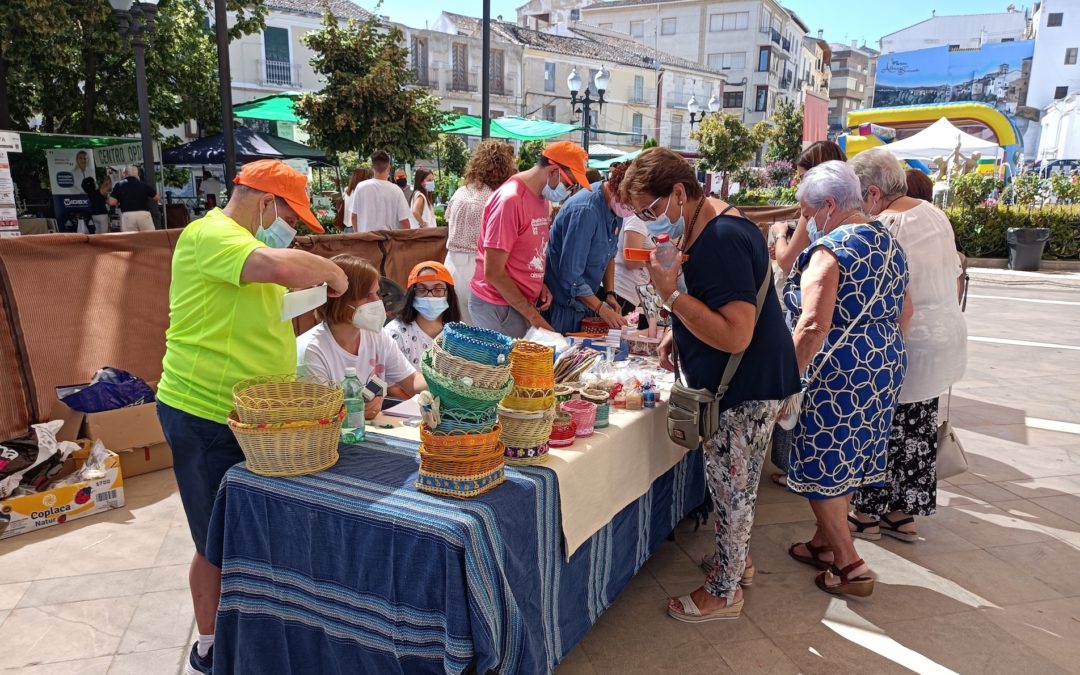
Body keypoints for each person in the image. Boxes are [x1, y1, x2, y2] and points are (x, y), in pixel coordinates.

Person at [155, 160, 346, 675]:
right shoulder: (210, 234)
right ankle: (211, 645)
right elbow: (277, 266)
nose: (292, 230)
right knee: (214, 537)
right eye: (289, 216)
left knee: (250, 532)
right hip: (205, 413)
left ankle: (255, 628)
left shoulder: (248, 250)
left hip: (255, 418)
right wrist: (331, 271)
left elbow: (266, 298)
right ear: (266, 202)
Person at [621, 148, 801, 622]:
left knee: (734, 486)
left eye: (650, 208)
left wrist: (672, 297)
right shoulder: (716, 221)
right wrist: (681, 338)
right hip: (746, 377)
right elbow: (723, 312)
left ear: (679, 192)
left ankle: (724, 592)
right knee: (729, 485)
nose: (648, 219)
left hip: (745, 384)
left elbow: (736, 330)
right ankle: (733, 561)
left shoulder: (718, 237)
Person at [783, 161, 911, 598]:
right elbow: (905, 313)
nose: (805, 221)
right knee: (849, 459)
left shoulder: (831, 248)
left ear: (829, 205)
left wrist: (788, 380)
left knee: (821, 463)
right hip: (884, 362)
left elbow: (813, 325)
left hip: (835, 370)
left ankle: (849, 563)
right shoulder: (888, 242)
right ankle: (823, 543)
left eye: (805, 211)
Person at [848, 149, 967, 542]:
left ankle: (867, 514)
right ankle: (902, 515)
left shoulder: (886, 225)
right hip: (944, 336)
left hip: (906, 340)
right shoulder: (935, 213)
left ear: (874, 193)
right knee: (916, 427)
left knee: (880, 426)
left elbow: (887, 293)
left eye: (859, 195)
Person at [767, 141, 847, 488]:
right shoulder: (864, 226)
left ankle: (796, 469)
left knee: (797, 393)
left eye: (802, 178)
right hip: (852, 346)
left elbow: (786, 260)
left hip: (809, 318)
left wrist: (778, 234)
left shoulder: (820, 221)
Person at [469, 140, 591, 338]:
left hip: (517, 303)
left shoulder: (540, 198)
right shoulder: (510, 200)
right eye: (570, 183)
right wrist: (534, 318)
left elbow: (525, 251)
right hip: (498, 305)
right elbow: (493, 272)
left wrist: (537, 283)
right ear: (553, 171)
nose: (569, 191)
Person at [297, 254, 427, 415]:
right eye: (367, 295)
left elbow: (412, 381)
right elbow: (320, 417)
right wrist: (353, 413)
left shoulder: (377, 336)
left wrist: (449, 383)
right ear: (340, 299)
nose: (377, 302)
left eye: (377, 293)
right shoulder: (311, 350)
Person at [543, 161, 633, 333]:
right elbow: (571, 276)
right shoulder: (586, 210)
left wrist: (610, 293)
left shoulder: (615, 209)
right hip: (562, 307)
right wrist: (602, 309)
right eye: (633, 205)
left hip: (583, 305)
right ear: (620, 190)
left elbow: (610, 255)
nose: (632, 211)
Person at [445, 140, 517, 324]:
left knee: (460, 326)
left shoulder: (460, 192)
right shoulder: (496, 199)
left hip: (452, 264)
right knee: (482, 330)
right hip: (478, 268)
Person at [770, 141, 848, 275]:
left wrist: (780, 234)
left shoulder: (814, 209)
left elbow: (788, 263)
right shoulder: (854, 203)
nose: (801, 186)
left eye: (803, 178)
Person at [384, 261, 461, 369]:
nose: (430, 296)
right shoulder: (395, 333)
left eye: (438, 290)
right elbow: (391, 382)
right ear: (412, 294)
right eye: (422, 290)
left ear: (449, 294)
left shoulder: (460, 333)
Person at [348, 151, 411, 231]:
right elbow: (404, 222)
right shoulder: (396, 190)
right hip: (389, 240)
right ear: (389, 167)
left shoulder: (360, 187)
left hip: (366, 240)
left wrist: (358, 236)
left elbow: (354, 216)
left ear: (372, 167)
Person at [612, 212, 652, 314]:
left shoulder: (648, 220)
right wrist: (661, 256)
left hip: (633, 293)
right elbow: (631, 261)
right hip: (621, 291)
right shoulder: (637, 219)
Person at [108, 165, 159, 232]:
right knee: (149, 237)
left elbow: (112, 202)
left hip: (128, 216)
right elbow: (157, 197)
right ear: (137, 174)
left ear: (125, 174)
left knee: (130, 239)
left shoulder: (119, 185)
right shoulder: (144, 185)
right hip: (143, 214)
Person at [341, 167, 373, 233]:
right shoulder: (359, 193)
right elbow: (354, 216)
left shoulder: (347, 191)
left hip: (347, 228)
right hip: (356, 229)